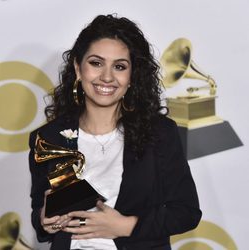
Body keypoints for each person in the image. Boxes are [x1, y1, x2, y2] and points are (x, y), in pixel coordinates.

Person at [29, 14, 202, 250]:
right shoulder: (48, 137)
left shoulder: (159, 133)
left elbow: (186, 212)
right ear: (78, 68)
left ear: (131, 77)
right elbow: (40, 212)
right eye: (96, 63)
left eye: (119, 66)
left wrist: (126, 226)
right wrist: (45, 220)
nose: (107, 77)